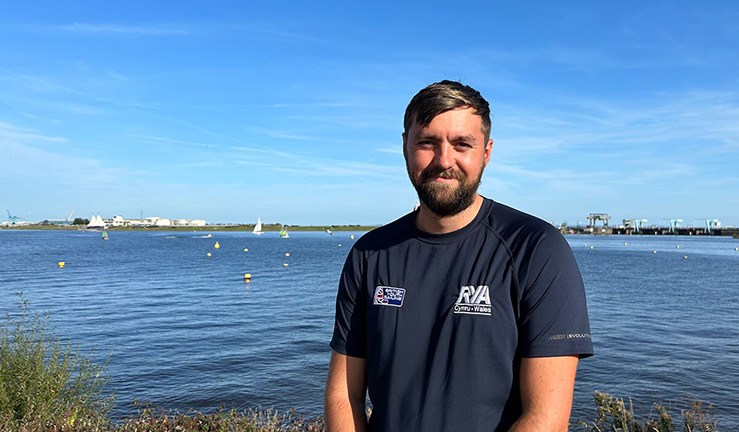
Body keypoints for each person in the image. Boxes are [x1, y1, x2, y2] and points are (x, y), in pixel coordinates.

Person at [324, 80, 593, 432]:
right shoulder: (369, 253)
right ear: (405, 146)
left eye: (462, 144)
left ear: (486, 152)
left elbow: (546, 418)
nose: (443, 160)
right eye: (427, 142)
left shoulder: (537, 248)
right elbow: (344, 394)